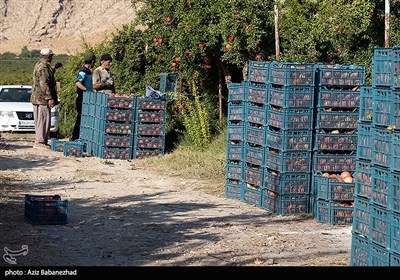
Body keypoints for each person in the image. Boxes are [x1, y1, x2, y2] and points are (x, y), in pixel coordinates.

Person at [31, 48, 59, 149]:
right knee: (43, 119)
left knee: (41, 119)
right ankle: (40, 142)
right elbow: (44, 84)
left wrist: (54, 69)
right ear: (48, 57)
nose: (52, 57)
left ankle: (41, 140)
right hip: (42, 99)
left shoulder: (40, 64)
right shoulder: (43, 68)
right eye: (51, 56)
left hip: (38, 98)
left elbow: (46, 77)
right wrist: (50, 98)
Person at [70, 51, 96, 141]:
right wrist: (86, 90)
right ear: (92, 62)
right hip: (82, 98)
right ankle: (75, 137)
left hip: (87, 99)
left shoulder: (89, 71)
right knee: (80, 118)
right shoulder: (83, 71)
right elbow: (78, 83)